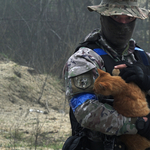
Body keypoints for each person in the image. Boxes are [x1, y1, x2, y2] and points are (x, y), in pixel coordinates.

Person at [63, 0, 150, 150]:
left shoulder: (143, 58)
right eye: (116, 17)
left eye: (129, 18)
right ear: (103, 17)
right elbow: (85, 111)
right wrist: (139, 124)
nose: (123, 25)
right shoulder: (84, 59)